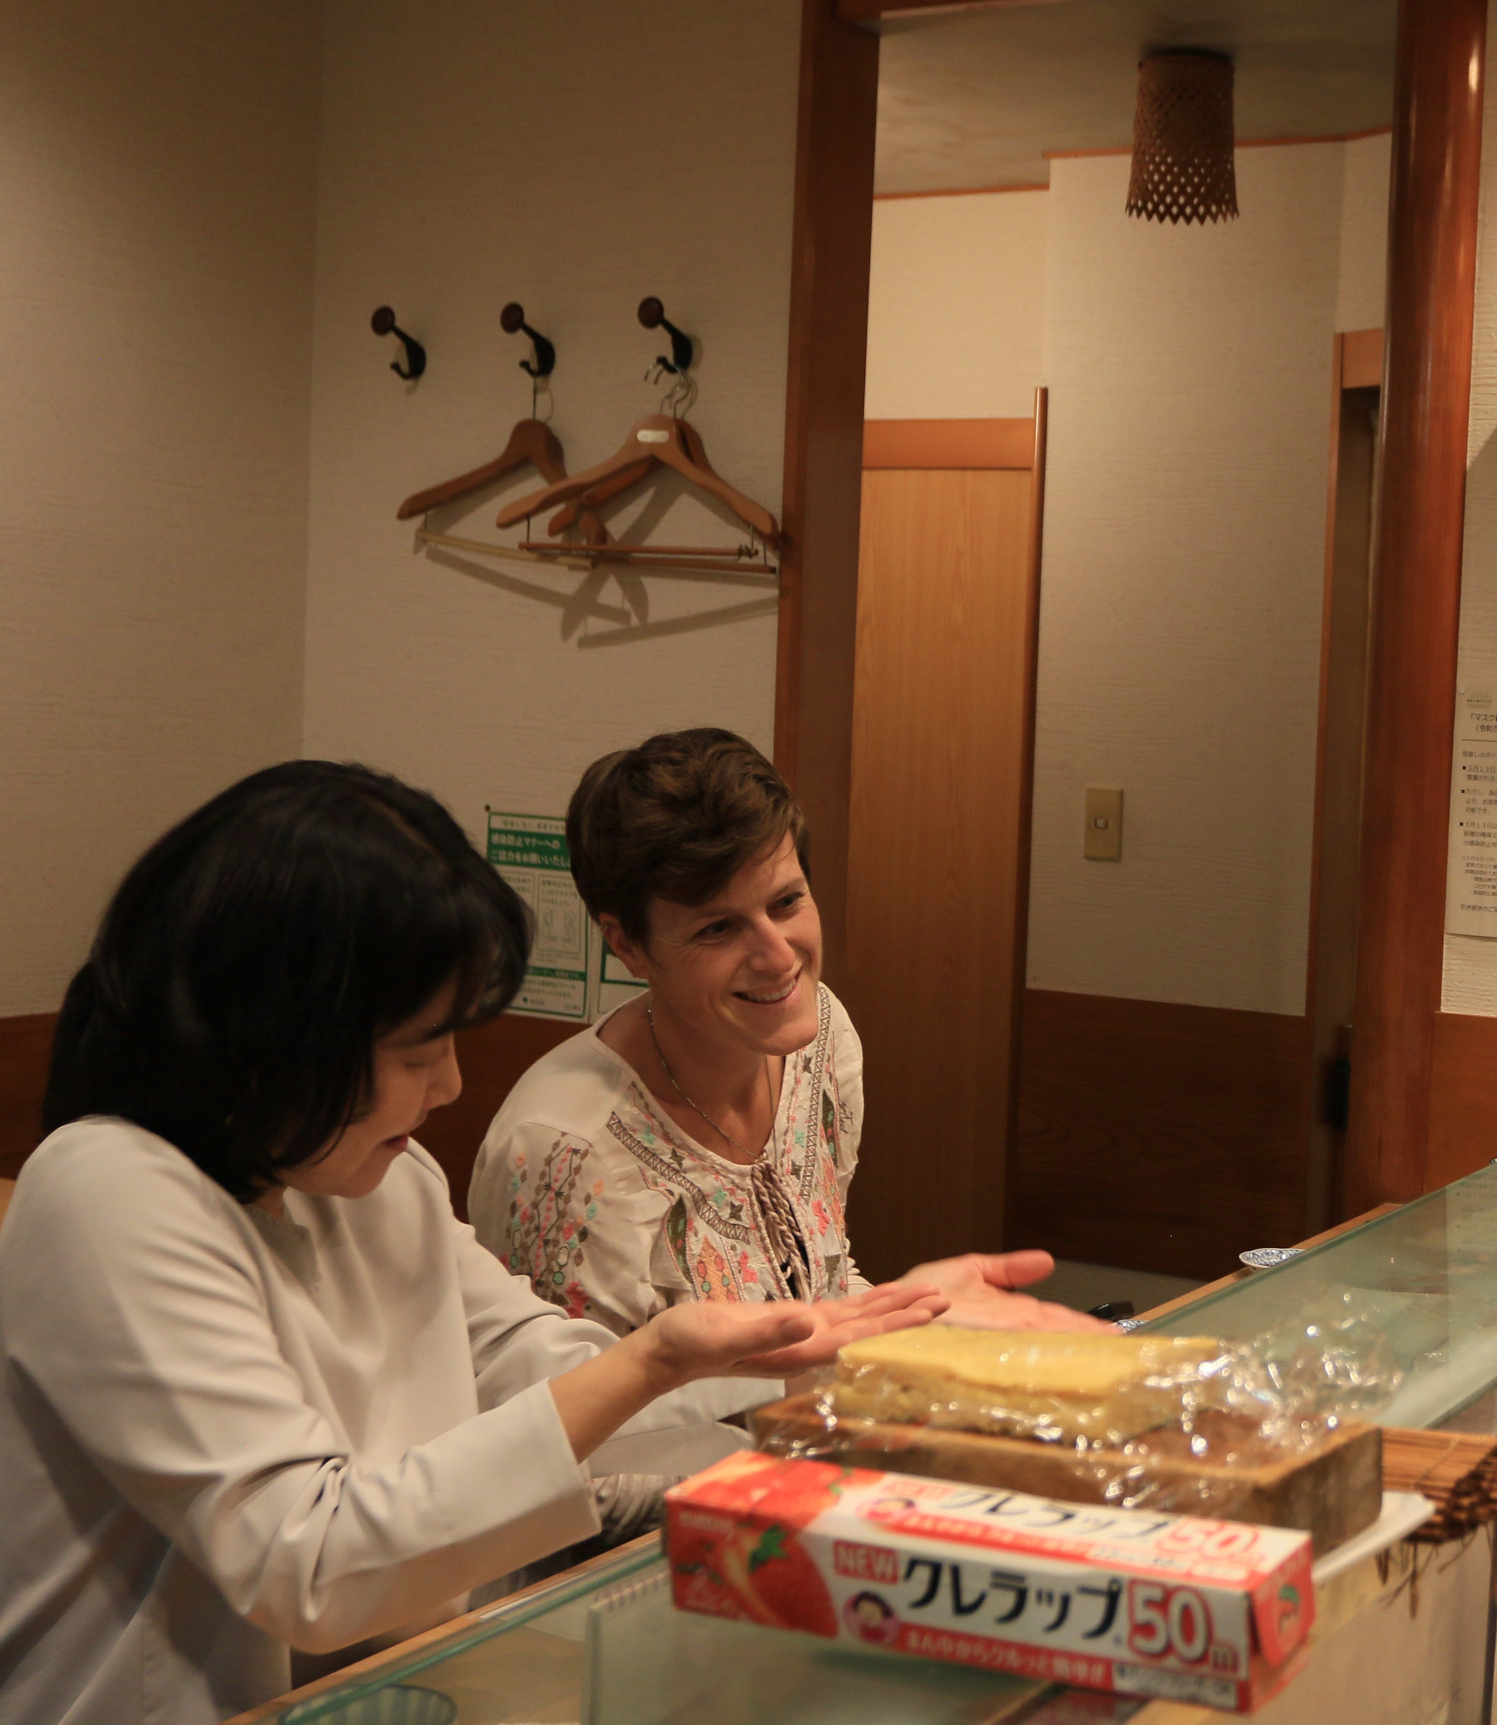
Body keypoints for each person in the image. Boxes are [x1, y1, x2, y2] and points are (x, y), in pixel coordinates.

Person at [0, 762, 938, 1725]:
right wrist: (658, 1359)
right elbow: (312, 1566)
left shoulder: (372, 1180)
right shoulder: (107, 1190)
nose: (449, 1085)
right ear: (282, 1037)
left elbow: (533, 1359)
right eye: (418, 1050)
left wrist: (836, 1350)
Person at [469, 728, 1101, 1361]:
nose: (778, 957)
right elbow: (570, 1425)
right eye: (719, 927)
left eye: (787, 902)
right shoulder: (562, 1154)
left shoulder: (821, 1034)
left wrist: (915, 1317)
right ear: (628, 945)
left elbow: (821, 1283)